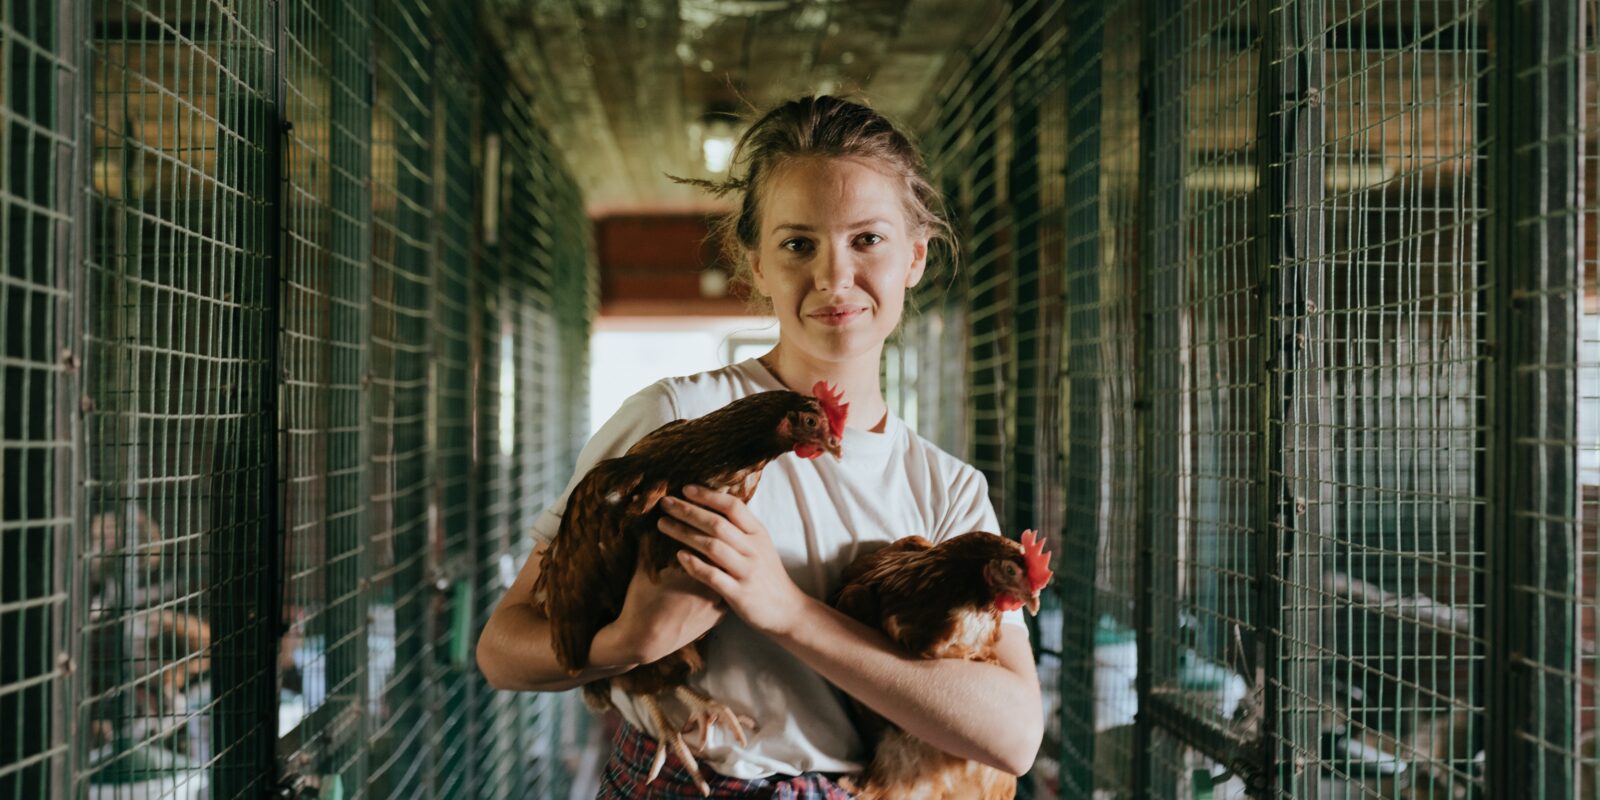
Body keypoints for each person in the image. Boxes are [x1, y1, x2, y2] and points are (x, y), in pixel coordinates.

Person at [477, 94, 1043, 797]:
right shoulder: (677, 419)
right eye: (798, 244)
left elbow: (1016, 735)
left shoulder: (948, 488)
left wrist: (789, 612)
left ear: (916, 258)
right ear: (758, 266)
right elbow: (504, 649)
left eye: (867, 240)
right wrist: (627, 643)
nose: (835, 277)